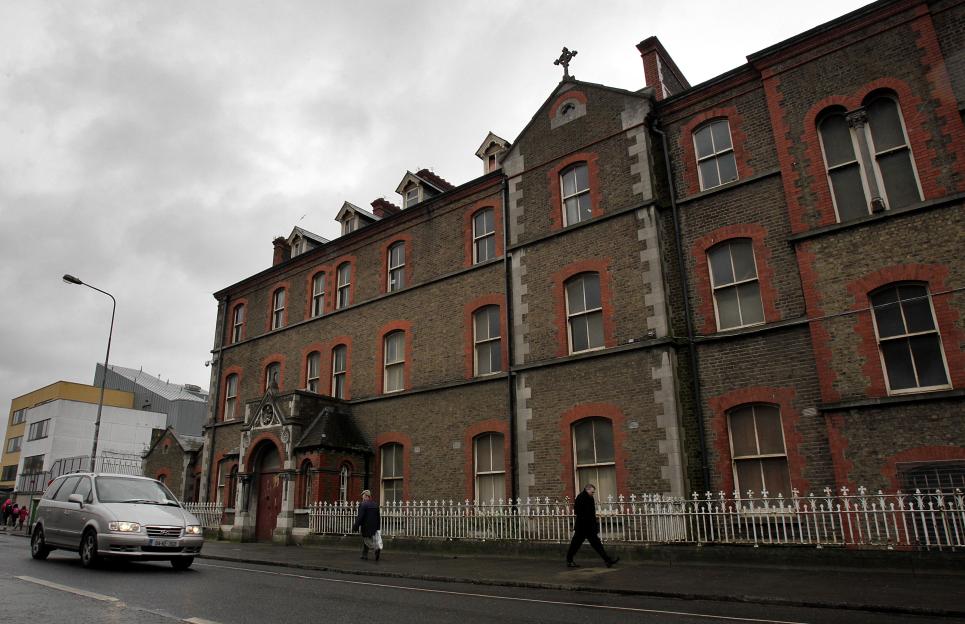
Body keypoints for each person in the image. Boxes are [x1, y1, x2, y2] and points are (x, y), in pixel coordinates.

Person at [565, 483, 619, 568]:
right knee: (575, 545)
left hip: (589, 527)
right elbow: (577, 511)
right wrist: (586, 518)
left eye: (593, 492)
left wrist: (594, 525)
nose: (593, 493)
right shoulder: (580, 497)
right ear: (587, 489)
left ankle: (608, 560)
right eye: (592, 492)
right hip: (582, 527)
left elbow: (592, 513)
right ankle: (569, 560)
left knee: (597, 544)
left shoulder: (590, 498)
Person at [352, 489, 382, 561]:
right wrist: (378, 527)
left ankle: (376, 550)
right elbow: (378, 517)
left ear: (366, 496)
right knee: (370, 540)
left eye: (363, 496)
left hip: (366, 527)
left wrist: (355, 526)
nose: (362, 497)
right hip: (374, 528)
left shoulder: (363, 505)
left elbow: (360, 517)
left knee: (367, 541)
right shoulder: (375, 504)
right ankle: (364, 554)